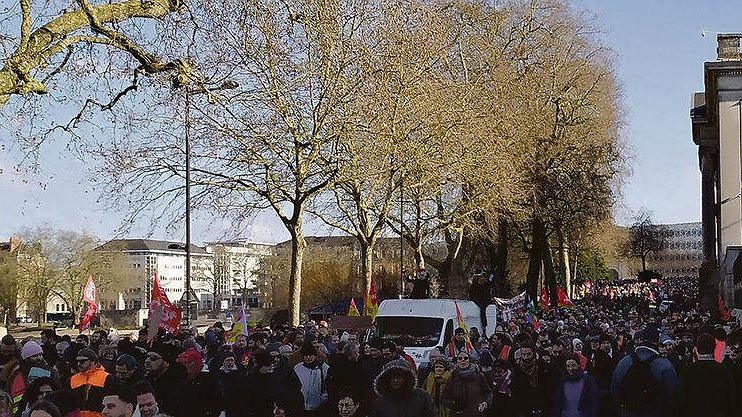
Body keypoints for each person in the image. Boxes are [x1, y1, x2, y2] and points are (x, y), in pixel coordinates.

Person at [610, 327, 677, 417]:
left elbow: (615, 388)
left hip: (628, 411)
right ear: (656, 342)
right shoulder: (665, 364)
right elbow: (671, 395)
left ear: (641, 340)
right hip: (655, 412)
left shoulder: (624, 361)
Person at [673, 333, 735, 417]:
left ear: (697, 349)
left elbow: (680, 396)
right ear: (713, 348)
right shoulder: (723, 369)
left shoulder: (688, 370)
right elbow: (731, 397)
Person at [370, 364, 437, 417]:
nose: (396, 380)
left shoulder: (421, 396)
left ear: (406, 378)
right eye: (392, 378)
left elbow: (431, 414)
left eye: (399, 376)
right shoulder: (381, 401)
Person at [173, 348, 224, 417]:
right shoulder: (179, 380)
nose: (183, 366)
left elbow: (217, 403)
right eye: (181, 363)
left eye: (185, 363)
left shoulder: (208, 380)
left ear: (193, 364)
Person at [66, 348, 116, 417]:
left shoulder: (106, 377)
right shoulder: (72, 379)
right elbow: (68, 402)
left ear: (93, 361)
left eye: (83, 361)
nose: (78, 364)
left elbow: (111, 402)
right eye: (77, 361)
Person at [441, 351, 492, 417]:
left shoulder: (479, 376)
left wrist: (486, 403)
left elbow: (488, 393)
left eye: (465, 358)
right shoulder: (452, 377)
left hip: (477, 414)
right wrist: (455, 405)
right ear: (457, 362)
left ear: (469, 361)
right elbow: (444, 399)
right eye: (460, 358)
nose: (463, 360)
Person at [144, 344, 185, 416]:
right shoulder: (145, 382)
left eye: (153, 358)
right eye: (146, 357)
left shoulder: (177, 385)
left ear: (166, 363)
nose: (147, 360)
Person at [293, 344, 329, 416]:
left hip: (318, 407)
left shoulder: (323, 368)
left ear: (315, 355)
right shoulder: (297, 368)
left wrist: (322, 399)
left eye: (311, 355)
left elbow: (329, 385)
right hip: (301, 406)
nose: (308, 357)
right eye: (306, 355)